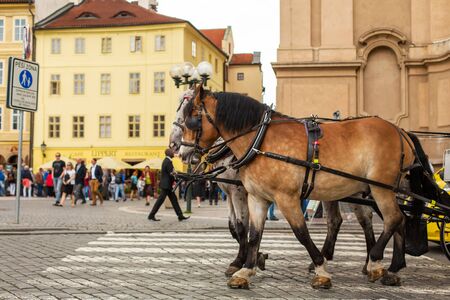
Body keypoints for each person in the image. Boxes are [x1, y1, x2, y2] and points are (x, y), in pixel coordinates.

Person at [148, 149, 189, 221]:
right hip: (166, 185)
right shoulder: (168, 161)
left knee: (174, 200)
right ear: (168, 153)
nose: (173, 153)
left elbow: (171, 173)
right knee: (160, 200)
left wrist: (176, 177)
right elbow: (172, 173)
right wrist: (177, 180)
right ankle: (151, 215)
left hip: (167, 185)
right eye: (172, 152)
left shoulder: (167, 161)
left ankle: (180, 215)